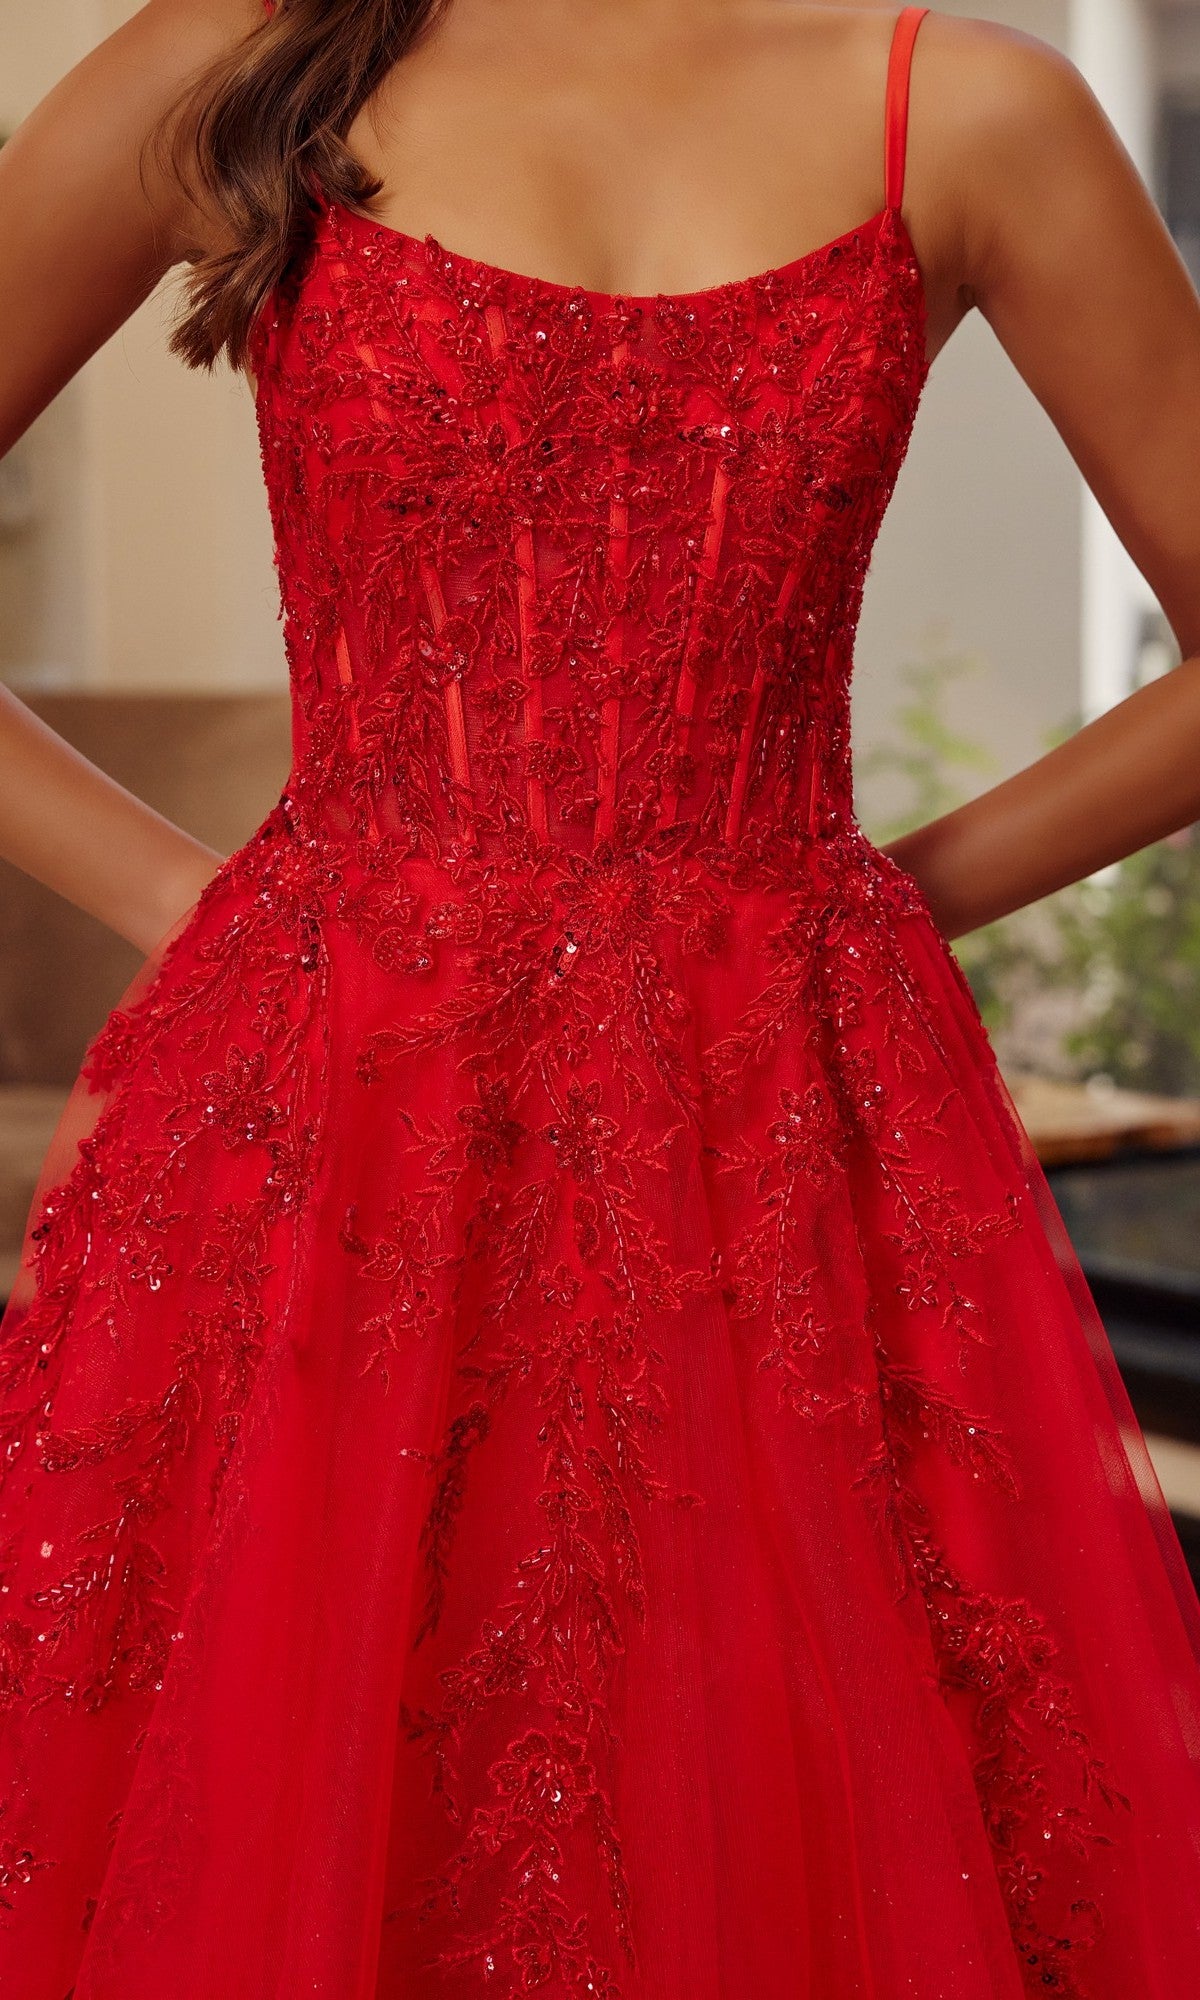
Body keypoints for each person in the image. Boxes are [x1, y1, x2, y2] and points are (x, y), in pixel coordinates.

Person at [0, 0, 1199, 1992]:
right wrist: (197, 902)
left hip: (782, 1126)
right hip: (334, 1113)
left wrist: (882, 898)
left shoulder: (976, 109)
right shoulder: (251, 50)